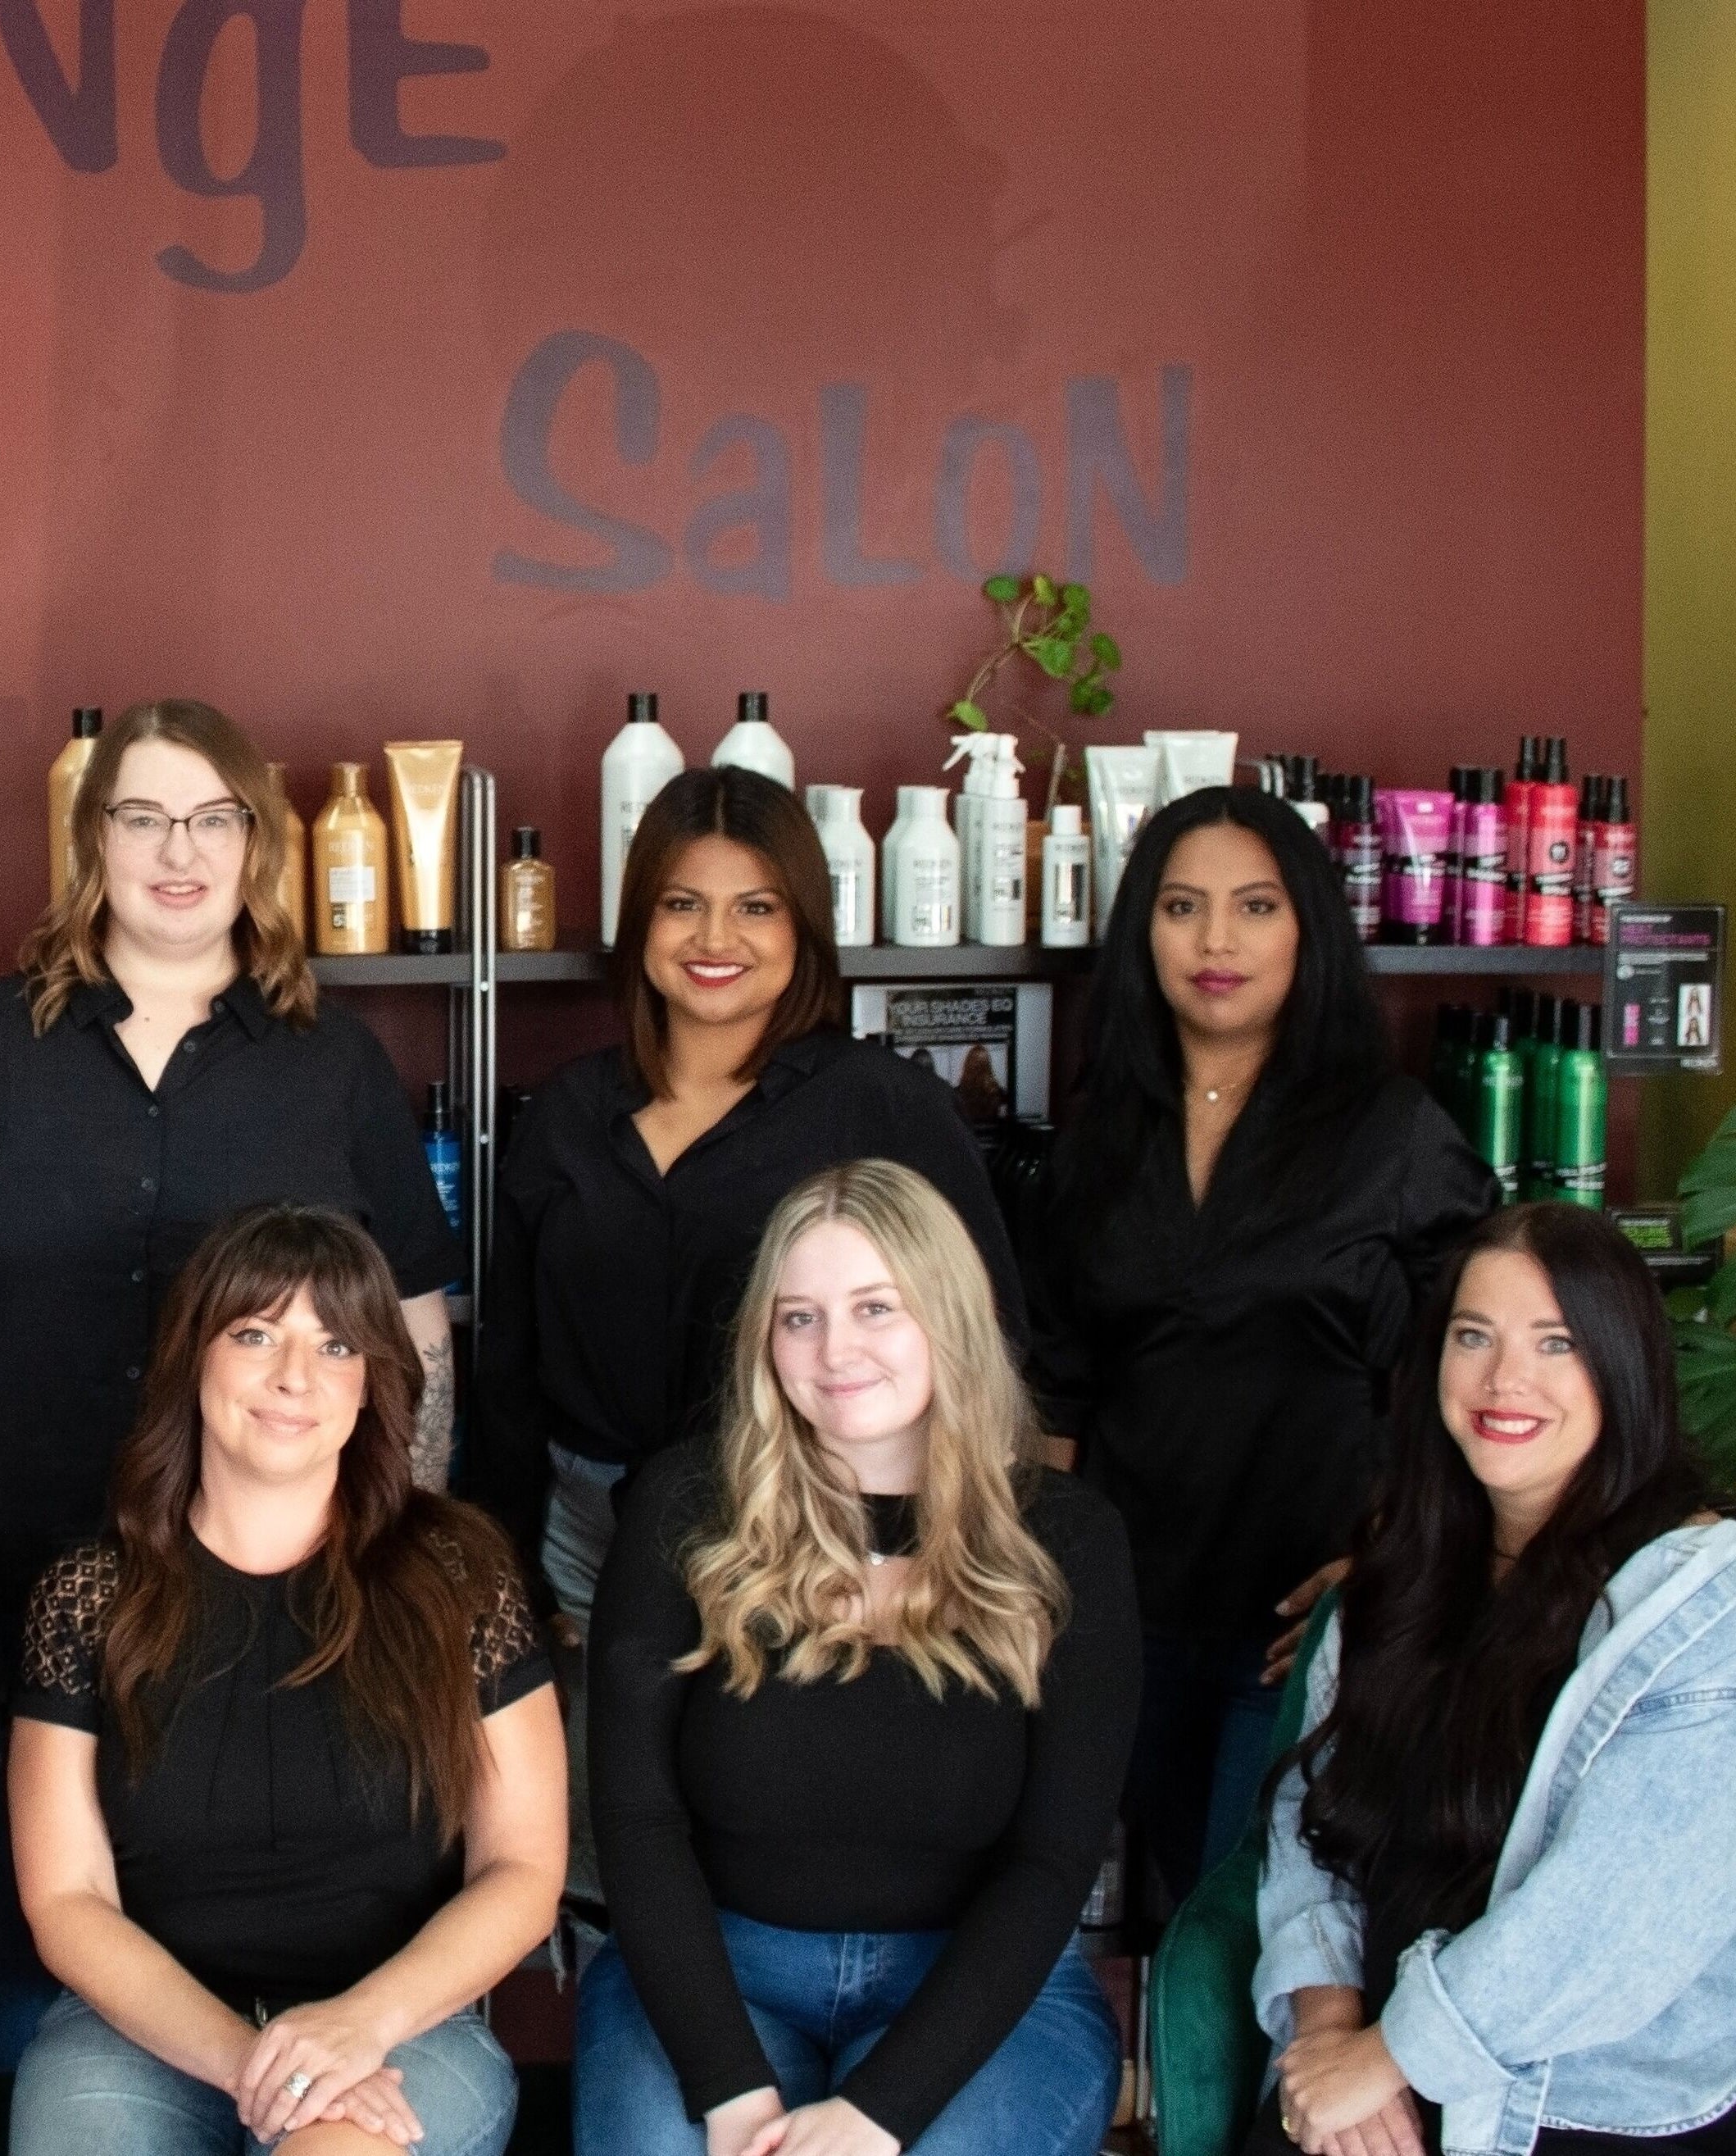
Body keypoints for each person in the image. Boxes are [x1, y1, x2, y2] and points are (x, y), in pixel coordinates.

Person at [0, 701, 460, 2063]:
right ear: (91, 843)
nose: (176, 852)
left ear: (256, 842)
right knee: (30, 1945)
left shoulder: (329, 1063)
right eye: (141, 818)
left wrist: (402, 1523)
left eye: (210, 819)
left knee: (250, 1893)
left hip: (261, 1597)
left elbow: (412, 1321)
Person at [584, 1159, 1139, 2156]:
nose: (834, 1350)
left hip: (982, 1990)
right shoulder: (683, 1506)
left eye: (875, 1307)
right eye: (798, 1317)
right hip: (711, 1975)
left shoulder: (1066, 1538)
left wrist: (880, 2112)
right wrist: (727, 2086)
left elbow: (1052, 1858)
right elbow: (636, 1818)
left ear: (949, 1316)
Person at [5, 1204, 565, 2156]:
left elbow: (521, 1867)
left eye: (335, 1344)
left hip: (401, 2027)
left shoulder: (458, 1575)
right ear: (192, 1358)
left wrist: (357, 2025)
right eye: (255, 1333)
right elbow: (68, 1899)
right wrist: (254, 2061)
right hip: (143, 2032)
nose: (293, 1375)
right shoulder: (89, 1597)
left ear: (370, 1383)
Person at [1029, 786, 1495, 1902]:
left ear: (1308, 929)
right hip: (1128, 1616)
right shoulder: (1096, 1145)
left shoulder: (1393, 1134)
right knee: (1170, 1905)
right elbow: (1056, 1393)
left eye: (1255, 905)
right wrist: (1045, 1585)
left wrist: (1394, 1555)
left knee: (1257, 1911)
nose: (1216, 941)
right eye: (1181, 906)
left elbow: (1483, 1373)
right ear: (1142, 931)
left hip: (1309, 1618)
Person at [471, 766, 1023, 1642]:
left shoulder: (885, 1106)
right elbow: (510, 1366)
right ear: (640, 920)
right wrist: (504, 1568)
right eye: (682, 904)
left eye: (756, 907)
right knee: (593, 1737)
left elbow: (986, 1337)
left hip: (811, 1531)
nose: (715, 937)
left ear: (803, 924)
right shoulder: (568, 1111)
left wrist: (922, 1542)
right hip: (585, 1536)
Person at [1252, 1204, 1736, 2156]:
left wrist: (1386, 2056)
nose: (1504, 1378)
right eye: (1473, 1336)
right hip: (1370, 2079)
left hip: (1579, 2098)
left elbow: (1611, 1922)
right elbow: (1309, 1818)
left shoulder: (1699, 1605)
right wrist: (1326, 2027)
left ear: (1622, 1364)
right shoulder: (1397, 1578)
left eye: (1555, 1342)